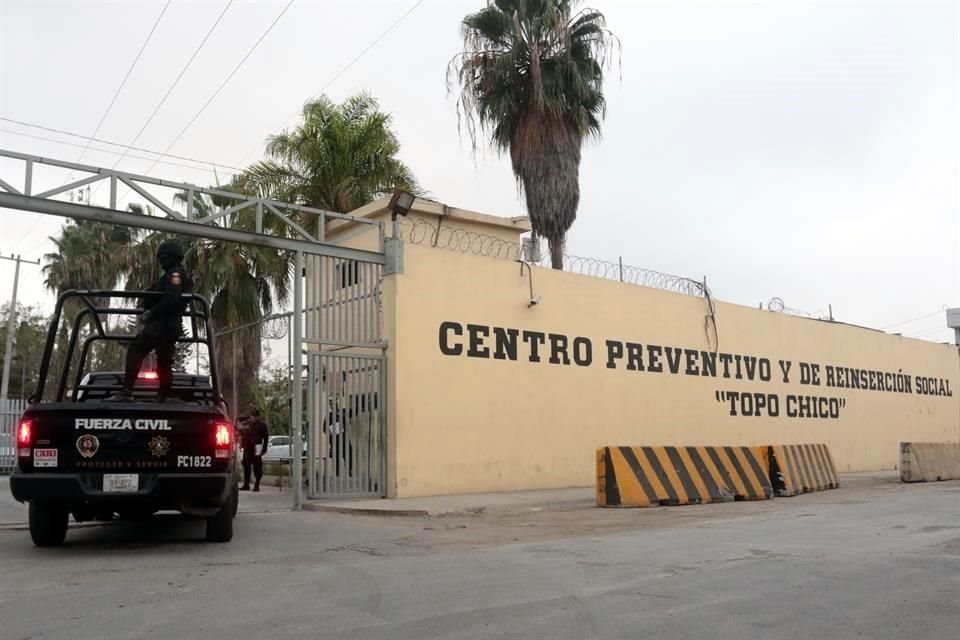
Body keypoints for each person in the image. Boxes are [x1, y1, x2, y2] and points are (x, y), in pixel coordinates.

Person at [108, 241, 193, 403]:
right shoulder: (173, 274)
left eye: (164, 257)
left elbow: (172, 298)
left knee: (136, 349)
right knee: (164, 360)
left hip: (162, 323)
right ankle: (162, 396)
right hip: (170, 324)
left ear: (173, 258)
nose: (161, 261)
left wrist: (151, 312)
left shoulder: (175, 274)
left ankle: (127, 392)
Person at [240, 408, 269, 491]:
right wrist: (242, 444)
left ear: (258, 417)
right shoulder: (247, 424)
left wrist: (264, 448)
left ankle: (257, 484)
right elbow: (242, 434)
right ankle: (246, 484)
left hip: (257, 447)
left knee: (257, 467)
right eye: (253, 416)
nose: (254, 418)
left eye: (256, 416)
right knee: (246, 466)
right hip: (247, 447)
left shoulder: (262, 426)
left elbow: (266, 438)